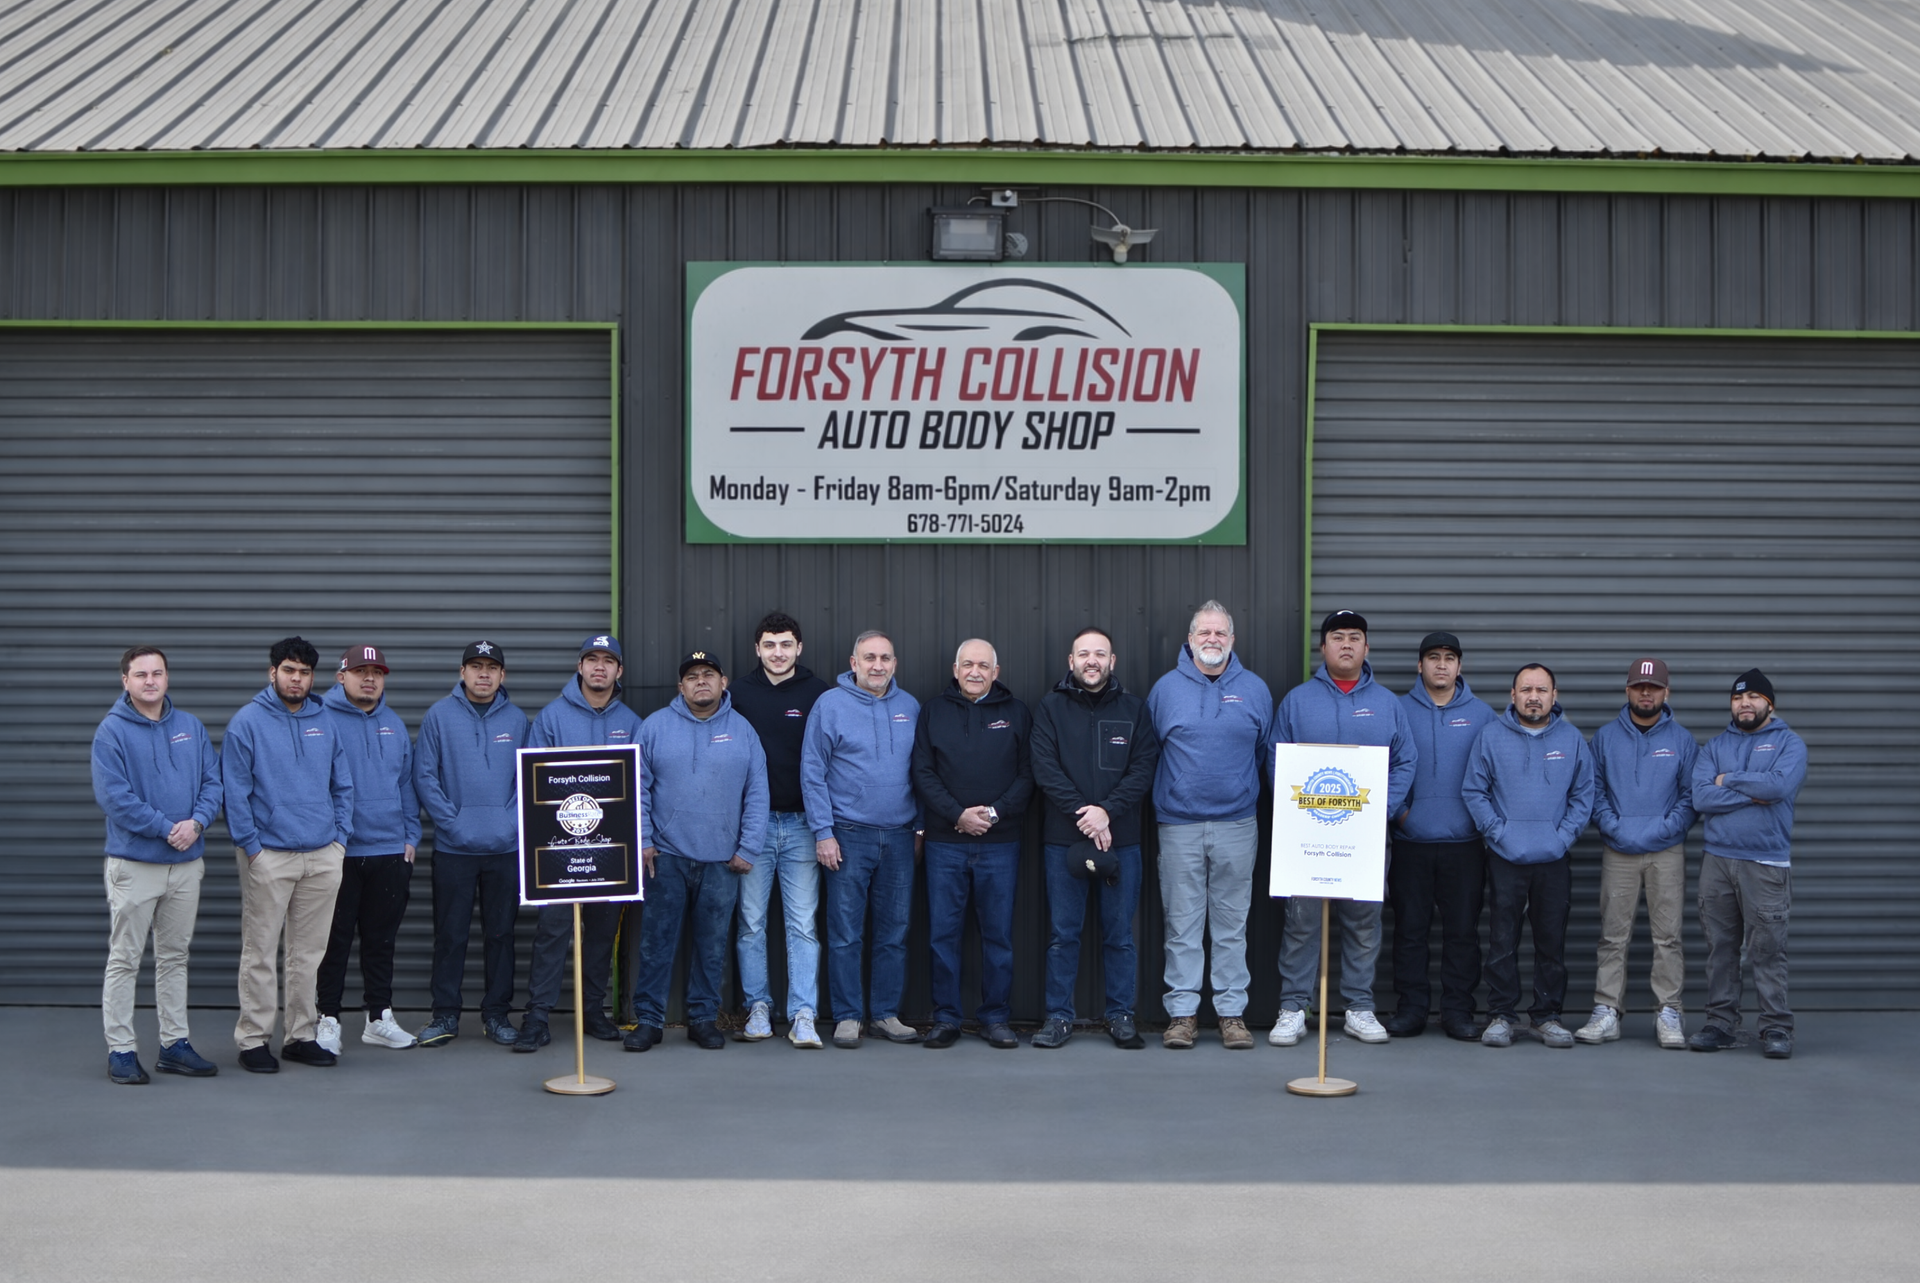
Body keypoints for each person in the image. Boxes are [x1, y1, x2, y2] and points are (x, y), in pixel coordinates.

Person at [1270, 611, 1416, 1048]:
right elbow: (1277, 760)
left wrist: (1382, 811)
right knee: (1301, 923)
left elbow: (1405, 760)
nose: (1347, 645)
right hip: (1308, 837)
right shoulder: (1297, 701)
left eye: (1356, 638)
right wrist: (1299, 811)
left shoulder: (1389, 704)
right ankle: (1293, 1008)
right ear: (1323, 648)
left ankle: (1358, 1007)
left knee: (1364, 923)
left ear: (1367, 648)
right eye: (1338, 638)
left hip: (1367, 837)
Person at [90, 646, 223, 1084]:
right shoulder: (112, 733)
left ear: (167, 678)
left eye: (158, 673)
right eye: (141, 674)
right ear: (125, 681)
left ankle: (174, 1045)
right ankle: (122, 1051)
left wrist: (199, 821)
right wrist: (169, 829)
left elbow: (212, 781)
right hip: (135, 865)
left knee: (173, 957)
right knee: (125, 959)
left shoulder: (190, 727)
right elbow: (115, 799)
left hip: (185, 865)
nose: (151, 680)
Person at [222, 636, 354, 1073]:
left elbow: (342, 784)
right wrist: (253, 848)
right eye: (289, 671)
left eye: (304, 673)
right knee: (259, 950)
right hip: (270, 856)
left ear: (312, 677)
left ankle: (301, 1034)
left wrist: (339, 840)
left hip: (322, 854)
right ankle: (253, 1039)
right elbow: (235, 793)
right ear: (272, 672)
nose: (296, 680)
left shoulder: (326, 720)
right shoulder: (248, 722)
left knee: (308, 952)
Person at [624, 652, 769, 1052]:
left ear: (724, 683)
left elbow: (757, 793)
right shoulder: (654, 727)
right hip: (666, 858)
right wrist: (644, 841)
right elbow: (637, 789)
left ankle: (704, 1018)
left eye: (708, 675)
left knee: (711, 945)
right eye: (691, 676)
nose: (700, 681)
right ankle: (649, 1020)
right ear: (680, 686)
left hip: (723, 860)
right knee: (656, 942)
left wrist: (748, 847)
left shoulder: (743, 731)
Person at [1146, 601, 1273, 1050]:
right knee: (1181, 925)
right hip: (1178, 825)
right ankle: (1182, 1014)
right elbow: (1152, 752)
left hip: (1238, 824)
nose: (1213, 640)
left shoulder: (1255, 690)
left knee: (1231, 924)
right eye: (1205, 633)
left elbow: (1262, 754)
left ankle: (1231, 1014)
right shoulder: (1165, 690)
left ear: (1232, 641)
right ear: (1190, 639)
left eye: (1221, 633)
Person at [1029, 626, 1161, 1050]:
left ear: (1112, 661)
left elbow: (1144, 767)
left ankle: (1121, 1015)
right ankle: (1058, 1017)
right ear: (1071, 661)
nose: (1092, 660)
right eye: (1083, 653)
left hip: (1121, 841)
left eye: (1100, 653)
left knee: (1119, 934)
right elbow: (1044, 767)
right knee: (1063, 933)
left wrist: (1108, 811)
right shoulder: (1050, 708)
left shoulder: (1134, 710)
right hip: (1062, 840)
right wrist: (1087, 815)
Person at [518, 635, 643, 1052]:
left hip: (611, 850)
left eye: (608, 661)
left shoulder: (631, 721)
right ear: (580, 666)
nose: (599, 668)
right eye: (592, 660)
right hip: (558, 849)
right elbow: (532, 784)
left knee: (601, 934)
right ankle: (537, 1017)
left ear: (619, 671)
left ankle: (592, 1011)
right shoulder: (551, 718)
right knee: (553, 931)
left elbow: (639, 786)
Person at [801, 630, 923, 1049]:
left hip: (901, 835)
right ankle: (849, 1016)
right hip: (848, 835)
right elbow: (812, 771)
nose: (877, 665)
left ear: (894, 663)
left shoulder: (910, 707)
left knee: (894, 931)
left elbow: (924, 772)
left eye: (885, 658)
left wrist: (921, 827)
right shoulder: (830, 705)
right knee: (845, 931)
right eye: (869, 657)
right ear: (853, 663)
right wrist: (823, 833)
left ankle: (886, 1013)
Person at [1462, 663, 1595, 1049]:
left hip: (1553, 859)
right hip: (1505, 857)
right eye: (1526, 689)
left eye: (1541, 690)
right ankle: (1501, 1016)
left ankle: (1546, 1017)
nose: (1533, 697)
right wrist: (1498, 833)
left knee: (1551, 943)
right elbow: (1474, 791)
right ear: (1513, 695)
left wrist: (1562, 838)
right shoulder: (1490, 737)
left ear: (1555, 696)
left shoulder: (1571, 740)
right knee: (1501, 941)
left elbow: (1583, 795)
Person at [912, 638, 1033, 1050]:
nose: (975, 672)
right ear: (955, 668)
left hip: (1000, 845)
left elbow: (1028, 776)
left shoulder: (1016, 713)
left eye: (983, 665)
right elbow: (923, 773)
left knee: (997, 936)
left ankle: (995, 1018)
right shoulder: (933, 712)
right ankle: (945, 1018)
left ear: (996, 672)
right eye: (968, 665)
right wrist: (957, 815)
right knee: (943, 935)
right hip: (945, 843)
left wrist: (993, 815)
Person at [1574, 657, 1698, 1050]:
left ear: (1666, 692)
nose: (1647, 693)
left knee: (1668, 937)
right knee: (1613, 935)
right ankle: (1607, 1011)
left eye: (1654, 688)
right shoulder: (1607, 738)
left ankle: (1669, 1012)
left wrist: (1663, 829)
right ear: (1628, 690)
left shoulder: (1682, 740)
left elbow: (1690, 798)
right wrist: (1615, 828)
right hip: (1619, 850)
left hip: (1667, 852)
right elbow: (1593, 792)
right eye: (1639, 687)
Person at [413, 640, 528, 1048]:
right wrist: (454, 824)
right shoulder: (439, 717)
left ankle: (497, 1015)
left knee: (501, 935)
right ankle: (444, 1015)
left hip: (505, 850)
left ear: (502, 676)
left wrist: (510, 825)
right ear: (461, 673)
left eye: (491, 667)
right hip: (454, 850)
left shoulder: (517, 720)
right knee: (450, 935)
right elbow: (425, 776)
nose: (483, 674)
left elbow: (525, 781)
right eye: (475, 666)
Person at [1688, 669, 1807, 1059]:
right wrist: (1751, 789)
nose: (1745, 704)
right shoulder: (1715, 746)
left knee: (1767, 949)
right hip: (1717, 861)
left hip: (1765, 863)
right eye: (1738, 698)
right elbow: (1702, 798)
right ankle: (1720, 1023)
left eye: (1754, 697)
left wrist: (1729, 780)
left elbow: (1776, 788)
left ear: (1769, 704)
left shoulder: (1789, 744)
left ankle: (1776, 1028)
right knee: (1721, 947)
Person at [728, 611, 832, 1048]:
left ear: (799, 648)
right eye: (769, 645)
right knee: (751, 923)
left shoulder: (819, 694)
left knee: (803, 924)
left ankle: (803, 1014)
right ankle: (758, 1008)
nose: (778, 653)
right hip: (753, 828)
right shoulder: (738, 693)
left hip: (804, 826)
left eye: (786, 644)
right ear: (758, 649)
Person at [1388, 631, 1497, 1041]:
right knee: (1410, 931)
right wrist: (1400, 815)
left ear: (1459, 666)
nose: (1441, 664)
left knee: (1462, 933)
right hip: (1410, 842)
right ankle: (1411, 1009)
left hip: (1464, 845)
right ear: (1420, 666)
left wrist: (1477, 822)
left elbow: (1493, 777)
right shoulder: (1397, 710)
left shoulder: (1484, 715)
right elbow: (1383, 767)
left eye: (1449, 658)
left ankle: (1457, 1011)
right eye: (1433, 657)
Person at [315, 645, 421, 1054]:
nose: (370, 678)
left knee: (380, 941)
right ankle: (327, 1019)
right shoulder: (320, 718)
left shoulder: (393, 723)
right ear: (342, 676)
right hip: (340, 851)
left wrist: (410, 837)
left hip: (389, 851)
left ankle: (379, 1017)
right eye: (361, 671)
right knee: (333, 941)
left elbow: (405, 785)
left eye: (377, 672)